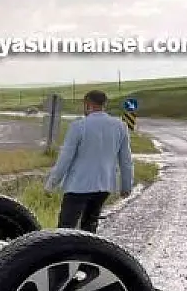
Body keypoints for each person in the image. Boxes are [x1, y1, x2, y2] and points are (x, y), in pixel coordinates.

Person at [44, 89, 134, 233]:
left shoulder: (79, 126)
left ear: (87, 104)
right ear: (104, 104)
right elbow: (126, 160)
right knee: (90, 227)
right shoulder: (120, 126)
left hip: (78, 186)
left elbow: (65, 159)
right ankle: (87, 254)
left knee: (65, 229)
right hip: (104, 186)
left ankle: (64, 254)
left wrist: (51, 184)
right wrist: (126, 186)